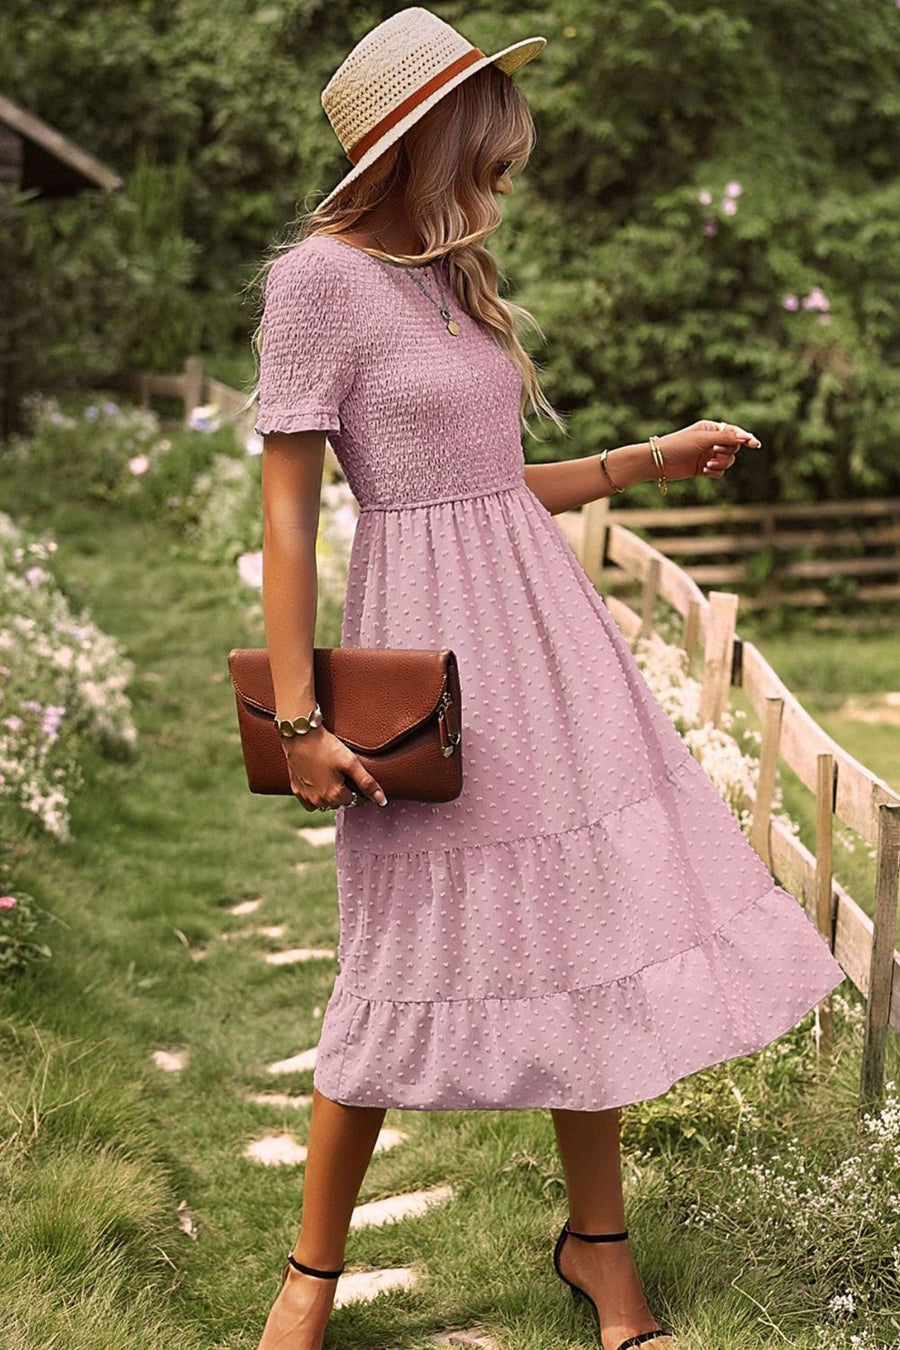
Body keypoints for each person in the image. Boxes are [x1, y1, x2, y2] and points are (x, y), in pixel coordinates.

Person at [248, 9, 846, 1349]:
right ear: (424, 138)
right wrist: (296, 718)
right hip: (426, 661)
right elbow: (288, 516)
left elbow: (490, 488)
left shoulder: (450, 279)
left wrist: (650, 458)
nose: (502, 175)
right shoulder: (316, 283)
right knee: (393, 951)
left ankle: (600, 1250)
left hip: (548, 651)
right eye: (491, 149)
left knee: (585, 931)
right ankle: (310, 1279)